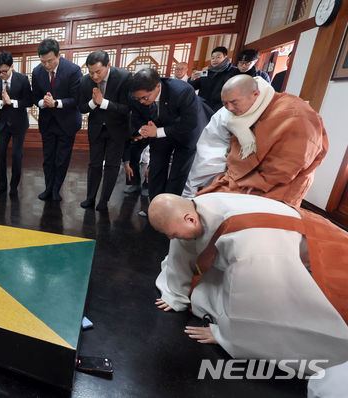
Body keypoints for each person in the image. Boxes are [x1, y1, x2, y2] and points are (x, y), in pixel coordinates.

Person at [149, 192, 348, 372]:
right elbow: (180, 248)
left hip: (314, 242)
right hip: (275, 224)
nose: (171, 238)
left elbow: (253, 296)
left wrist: (225, 334)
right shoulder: (193, 207)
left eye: (173, 234)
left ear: (190, 219)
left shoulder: (245, 239)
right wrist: (174, 293)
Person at [197, 75, 328, 208]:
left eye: (234, 103)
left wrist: (234, 184)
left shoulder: (296, 117)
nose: (229, 108)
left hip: (275, 188)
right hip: (244, 178)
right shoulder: (244, 112)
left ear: (256, 94)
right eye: (225, 104)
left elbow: (280, 172)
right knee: (202, 202)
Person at [129, 68, 212, 200]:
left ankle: (170, 207)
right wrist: (142, 130)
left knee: (178, 173)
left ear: (158, 86)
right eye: (138, 98)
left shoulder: (181, 91)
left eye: (145, 98)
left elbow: (189, 123)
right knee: (156, 169)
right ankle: (156, 206)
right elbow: (136, 117)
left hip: (186, 132)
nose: (142, 102)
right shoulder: (136, 95)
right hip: (158, 131)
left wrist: (157, 131)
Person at [77, 50, 132, 210]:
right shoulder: (85, 81)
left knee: (112, 166)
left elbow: (127, 108)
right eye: (90, 72)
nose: (94, 76)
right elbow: (81, 108)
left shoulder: (124, 77)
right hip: (96, 129)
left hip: (117, 129)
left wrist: (103, 102)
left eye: (98, 72)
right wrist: (94, 103)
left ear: (108, 65)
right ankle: (90, 198)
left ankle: (104, 201)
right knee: (94, 164)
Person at [31, 38, 82, 202]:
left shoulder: (73, 70)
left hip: (66, 122)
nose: (46, 65)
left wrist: (56, 103)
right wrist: (43, 103)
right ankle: (48, 188)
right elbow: (35, 97)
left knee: (61, 159)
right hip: (47, 122)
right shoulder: (37, 71)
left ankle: (56, 189)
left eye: (50, 61)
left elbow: (76, 99)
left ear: (59, 55)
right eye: (43, 61)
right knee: (48, 159)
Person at [0, 51, 32, 196]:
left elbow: (29, 101)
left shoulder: (22, 79)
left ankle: (14, 186)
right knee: (0, 155)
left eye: (4, 71)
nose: (1, 74)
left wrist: (11, 102)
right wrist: (1, 102)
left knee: (16, 155)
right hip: (3, 124)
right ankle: (2, 185)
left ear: (12, 67)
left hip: (19, 123)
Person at [190, 46, 239, 112]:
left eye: (218, 57)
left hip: (222, 109)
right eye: (212, 57)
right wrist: (192, 79)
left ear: (225, 57)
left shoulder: (233, 71)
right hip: (203, 107)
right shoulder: (206, 71)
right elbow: (192, 87)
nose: (214, 59)